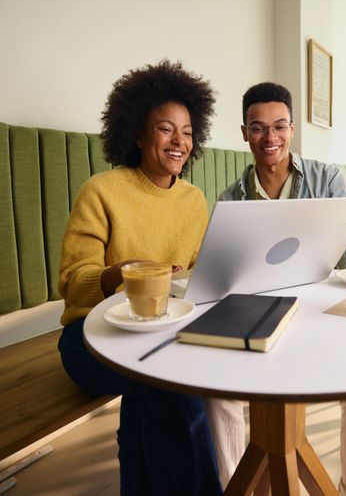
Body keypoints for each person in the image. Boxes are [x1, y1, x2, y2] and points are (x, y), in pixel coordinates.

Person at [208, 82, 346, 496]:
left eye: (278, 126)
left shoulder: (330, 181)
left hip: (323, 313)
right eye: (258, 128)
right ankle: (238, 488)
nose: (269, 138)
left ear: (292, 130)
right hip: (256, 318)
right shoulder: (228, 200)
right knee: (216, 399)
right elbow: (226, 280)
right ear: (244, 133)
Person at [57, 60, 222, 496]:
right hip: (90, 337)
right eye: (166, 129)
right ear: (136, 133)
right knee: (169, 385)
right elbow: (73, 283)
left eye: (187, 132)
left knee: (160, 384)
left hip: (161, 331)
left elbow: (200, 276)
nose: (179, 141)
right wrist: (119, 274)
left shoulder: (193, 200)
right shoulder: (102, 190)